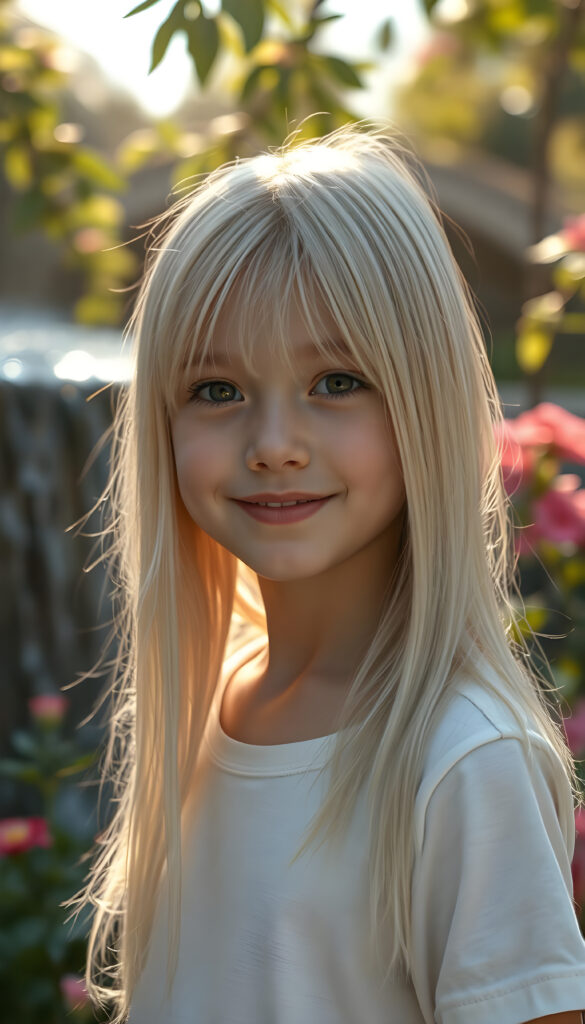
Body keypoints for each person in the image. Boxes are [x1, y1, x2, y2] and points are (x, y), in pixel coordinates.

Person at [70, 121, 585, 1024]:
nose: (273, 446)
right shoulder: (210, 703)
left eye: (336, 381)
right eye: (217, 390)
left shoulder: (461, 758)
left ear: (423, 395)